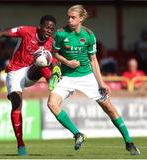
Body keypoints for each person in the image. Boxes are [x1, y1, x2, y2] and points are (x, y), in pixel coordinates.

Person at [47, 5, 140, 155]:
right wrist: (67, 62)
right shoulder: (61, 34)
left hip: (87, 77)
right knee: (51, 103)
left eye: (73, 17)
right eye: (68, 17)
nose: (69, 20)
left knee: (109, 107)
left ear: (81, 18)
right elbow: (54, 53)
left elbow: (93, 60)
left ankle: (129, 142)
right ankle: (78, 134)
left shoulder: (89, 35)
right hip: (68, 76)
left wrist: (101, 83)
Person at [0, 15, 60, 156]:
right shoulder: (26, 31)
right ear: (40, 26)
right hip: (15, 72)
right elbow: (3, 33)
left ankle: (52, 83)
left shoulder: (51, 43)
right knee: (16, 104)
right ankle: (20, 144)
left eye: (52, 28)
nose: (49, 30)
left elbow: (55, 59)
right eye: (47, 27)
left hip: (30, 72)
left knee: (43, 60)